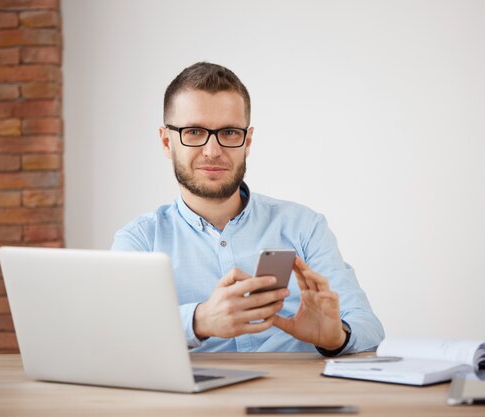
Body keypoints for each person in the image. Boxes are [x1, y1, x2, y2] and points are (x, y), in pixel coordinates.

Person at [112, 62, 384, 356]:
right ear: (167, 142)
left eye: (229, 132)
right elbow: (115, 334)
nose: (213, 151)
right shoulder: (139, 241)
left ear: (248, 141)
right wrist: (199, 321)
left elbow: (368, 327)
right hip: (196, 398)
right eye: (193, 131)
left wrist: (335, 337)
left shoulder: (304, 227)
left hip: (293, 394)